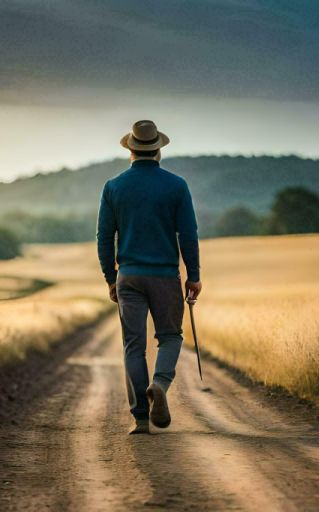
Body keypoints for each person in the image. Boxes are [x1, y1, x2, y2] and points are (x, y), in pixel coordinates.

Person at [96, 120, 202, 435]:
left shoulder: (113, 186)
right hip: (165, 276)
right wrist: (193, 275)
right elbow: (189, 234)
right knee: (170, 337)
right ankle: (159, 385)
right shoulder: (177, 185)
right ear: (158, 150)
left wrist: (110, 277)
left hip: (128, 276)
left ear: (130, 149)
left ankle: (141, 419)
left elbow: (104, 237)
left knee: (133, 346)